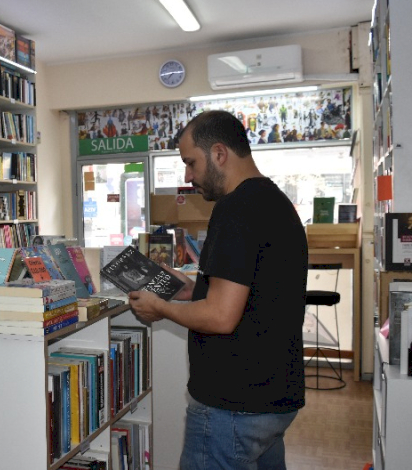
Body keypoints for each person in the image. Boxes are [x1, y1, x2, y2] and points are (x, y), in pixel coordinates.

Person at [128, 110, 308, 470]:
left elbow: (221, 316)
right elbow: (254, 293)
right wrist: (187, 289)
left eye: (191, 162)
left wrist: (159, 308)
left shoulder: (235, 209)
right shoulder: (275, 202)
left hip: (233, 405)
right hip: (272, 397)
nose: (188, 175)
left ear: (220, 153)